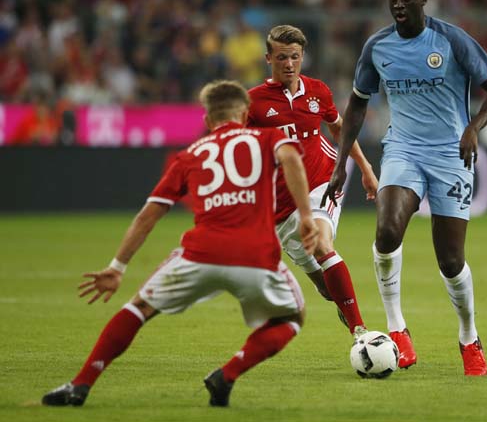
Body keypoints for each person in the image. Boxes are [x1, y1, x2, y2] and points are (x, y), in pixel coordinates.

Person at [42, 80, 318, 407]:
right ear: (245, 115)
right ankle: (227, 374)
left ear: (207, 120)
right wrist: (305, 215)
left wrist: (117, 267)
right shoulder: (268, 137)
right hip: (255, 256)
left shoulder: (188, 155)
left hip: (200, 254)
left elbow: (149, 214)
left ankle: (81, 383)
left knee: (139, 308)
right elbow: (292, 160)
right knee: (291, 318)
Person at [323, 0, 487, 376]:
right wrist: (341, 165)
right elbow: (357, 105)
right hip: (403, 149)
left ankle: (468, 336)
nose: (398, 4)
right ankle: (397, 329)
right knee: (387, 231)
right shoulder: (378, 46)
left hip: (449, 156)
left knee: (451, 260)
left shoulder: (452, 40)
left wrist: (473, 127)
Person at [247, 24, 378, 339]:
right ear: (268, 59)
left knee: (321, 244)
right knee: (325, 287)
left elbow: (339, 130)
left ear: (302, 56)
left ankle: (360, 331)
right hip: (280, 203)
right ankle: (336, 297)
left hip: (323, 182)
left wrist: (365, 168)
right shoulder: (253, 102)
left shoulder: (318, 91)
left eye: (294, 56)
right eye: (281, 57)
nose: (289, 64)